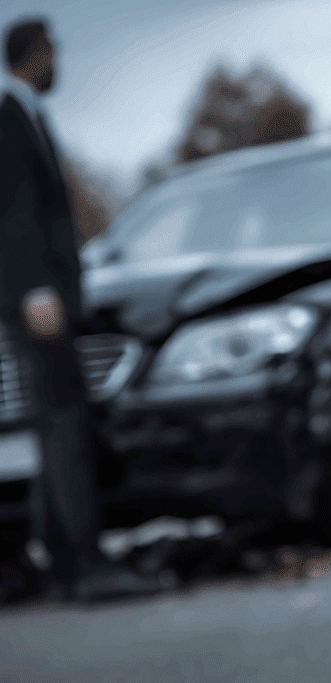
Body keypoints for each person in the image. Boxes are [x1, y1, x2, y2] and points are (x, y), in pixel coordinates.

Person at [0, 18, 158, 600]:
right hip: (38, 301)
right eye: (52, 52)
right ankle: (87, 567)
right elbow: (14, 214)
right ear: (34, 54)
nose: (58, 63)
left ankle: (61, 560)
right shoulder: (10, 120)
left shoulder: (29, 116)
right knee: (65, 427)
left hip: (49, 296)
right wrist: (35, 291)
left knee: (58, 427)